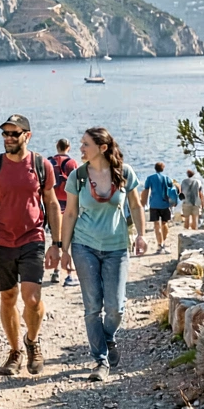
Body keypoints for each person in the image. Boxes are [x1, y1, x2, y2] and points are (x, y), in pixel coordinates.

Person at [59, 128, 147, 381]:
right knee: (92, 307)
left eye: (86, 144)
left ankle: (108, 337)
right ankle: (100, 361)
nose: (81, 148)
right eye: (81, 144)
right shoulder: (78, 176)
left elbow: (135, 205)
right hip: (84, 246)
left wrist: (141, 235)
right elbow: (71, 214)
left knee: (115, 308)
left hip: (117, 247)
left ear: (102, 147)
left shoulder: (124, 173)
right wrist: (64, 249)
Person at [0, 114, 62, 376]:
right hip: (1, 241)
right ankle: (14, 351)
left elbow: (51, 203)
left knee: (33, 299)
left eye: (14, 133)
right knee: (7, 297)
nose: (9, 138)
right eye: (5, 133)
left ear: (27, 135)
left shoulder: (41, 165)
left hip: (32, 239)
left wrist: (57, 244)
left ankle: (32, 341)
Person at [47, 138, 79, 286]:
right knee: (69, 238)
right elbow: (78, 184)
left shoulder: (49, 162)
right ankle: (69, 272)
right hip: (69, 203)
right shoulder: (72, 164)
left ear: (56, 146)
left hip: (52, 203)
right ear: (69, 147)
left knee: (55, 238)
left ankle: (56, 271)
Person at [141, 162, 175, 253]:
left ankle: (159, 245)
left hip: (154, 204)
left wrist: (143, 204)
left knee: (156, 225)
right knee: (164, 223)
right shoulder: (167, 178)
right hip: (165, 204)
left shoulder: (150, 178)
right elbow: (172, 192)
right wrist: (173, 203)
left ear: (155, 168)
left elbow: (146, 191)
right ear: (163, 169)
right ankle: (164, 242)